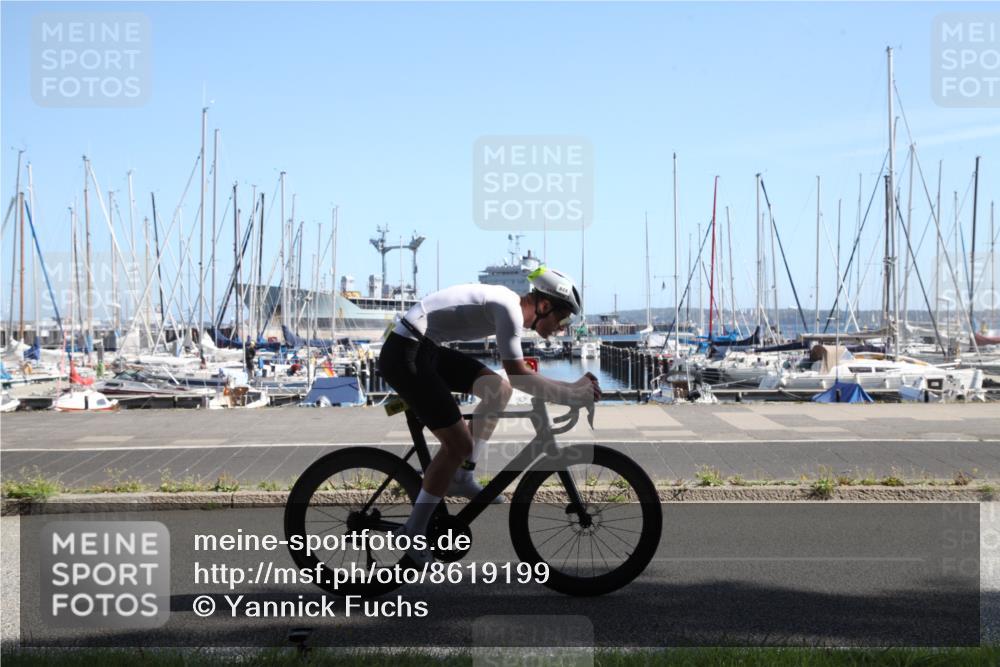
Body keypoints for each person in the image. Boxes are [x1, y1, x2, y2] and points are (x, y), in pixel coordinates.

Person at [378, 266, 600, 564]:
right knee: (458, 445)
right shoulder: (508, 308)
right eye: (563, 318)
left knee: (498, 390)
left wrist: (573, 388)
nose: (563, 327)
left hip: (424, 348)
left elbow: (514, 380)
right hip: (406, 354)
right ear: (545, 306)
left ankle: (462, 475)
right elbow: (521, 376)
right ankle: (413, 532)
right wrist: (572, 393)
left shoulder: (508, 307)